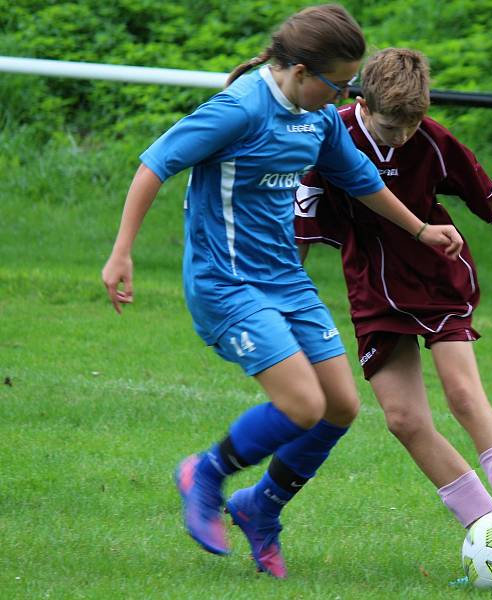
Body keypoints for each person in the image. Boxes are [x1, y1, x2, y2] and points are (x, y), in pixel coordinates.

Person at [101, 9, 463, 579]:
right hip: (227, 283)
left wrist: (419, 229)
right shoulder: (241, 109)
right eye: (338, 84)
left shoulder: (317, 119)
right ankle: (207, 471)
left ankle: (260, 507)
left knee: (341, 406)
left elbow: (361, 180)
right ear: (299, 70)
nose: (344, 95)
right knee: (303, 404)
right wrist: (121, 252)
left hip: (285, 281)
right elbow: (155, 165)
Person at [294, 48, 492, 597]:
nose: (405, 135)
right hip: (373, 290)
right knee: (405, 420)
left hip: (437, 279)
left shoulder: (432, 139)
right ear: (361, 100)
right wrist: (285, 298)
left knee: (463, 395)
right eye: (393, 124)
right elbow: (303, 225)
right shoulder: (328, 136)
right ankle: (490, 539)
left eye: (413, 123)